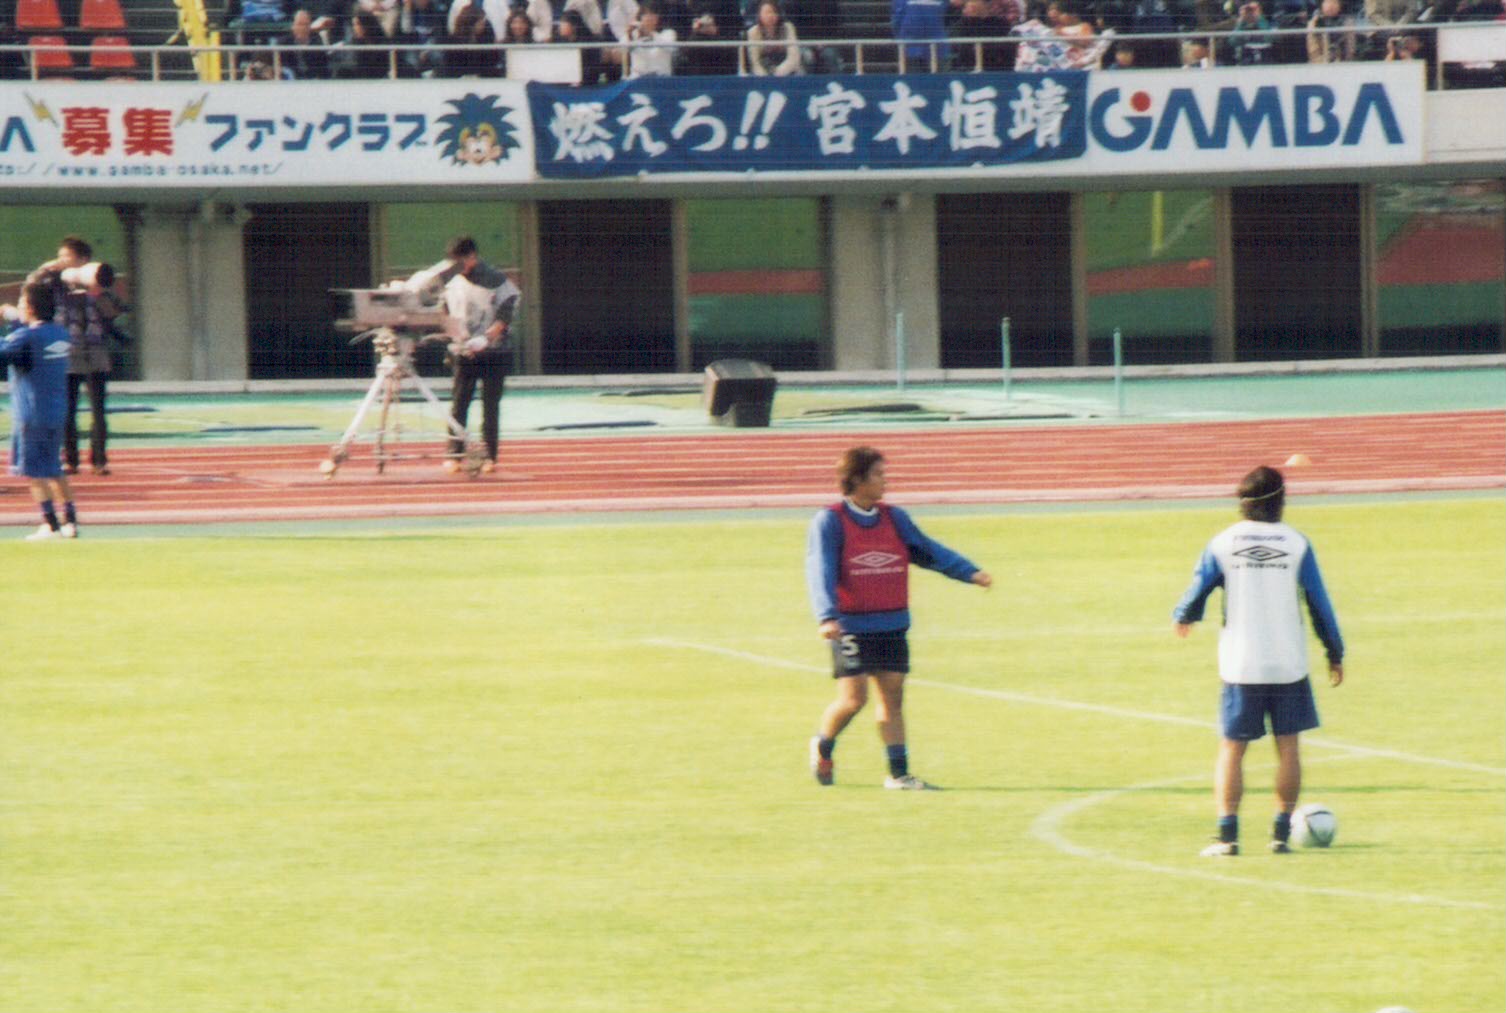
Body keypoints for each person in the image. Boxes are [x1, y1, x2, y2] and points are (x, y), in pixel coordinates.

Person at [1171, 465, 1345, 858]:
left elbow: (1199, 587)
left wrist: (1185, 615)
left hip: (1241, 664)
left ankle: (1227, 838)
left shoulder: (1223, 542)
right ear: (1281, 500)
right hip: (1288, 663)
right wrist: (1334, 651)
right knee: (1289, 748)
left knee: (1232, 749)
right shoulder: (1296, 543)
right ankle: (1280, 836)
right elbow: (1319, 603)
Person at [805, 446, 993, 790]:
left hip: (891, 623)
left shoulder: (895, 518)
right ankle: (823, 745)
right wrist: (827, 617)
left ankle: (899, 774)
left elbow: (927, 551)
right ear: (857, 479)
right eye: (878, 474)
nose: (885, 481)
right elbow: (821, 570)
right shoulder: (831, 521)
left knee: (892, 698)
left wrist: (968, 572)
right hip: (851, 627)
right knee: (854, 700)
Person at [27, 236, 113, 477]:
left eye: (67, 256)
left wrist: (98, 293)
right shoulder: (54, 283)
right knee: (67, 409)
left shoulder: (96, 281)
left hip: (94, 350)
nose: (63, 260)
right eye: (61, 256)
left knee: (98, 409)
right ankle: (71, 459)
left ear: (83, 260)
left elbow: (112, 312)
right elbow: (31, 288)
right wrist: (48, 269)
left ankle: (99, 460)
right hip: (66, 350)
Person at [0, 282, 80, 540]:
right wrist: (14, 319)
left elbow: (7, 352)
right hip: (56, 411)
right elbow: (30, 342)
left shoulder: (26, 338)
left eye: (22, 303)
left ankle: (50, 523)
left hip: (31, 413)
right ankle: (70, 521)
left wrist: (9, 324)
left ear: (31, 307)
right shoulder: (60, 334)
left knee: (34, 472)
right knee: (54, 468)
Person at [439, 236, 520, 473]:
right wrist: (459, 339)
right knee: (459, 403)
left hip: (495, 351)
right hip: (464, 352)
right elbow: (444, 312)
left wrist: (487, 337)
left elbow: (507, 312)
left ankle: (489, 457)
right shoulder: (451, 282)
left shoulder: (497, 280)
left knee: (490, 406)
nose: (458, 266)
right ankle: (455, 453)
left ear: (472, 257)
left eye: (461, 261)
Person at [746, 0, 803, 74]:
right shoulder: (752, 32)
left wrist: (778, 73)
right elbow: (755, 63)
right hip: (763, 72)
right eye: (767, 13)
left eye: (773, 12)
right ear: (759, 15)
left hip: (786, 71)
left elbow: (793, 57)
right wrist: (764, 77)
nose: (770, 16)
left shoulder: (788, 28)